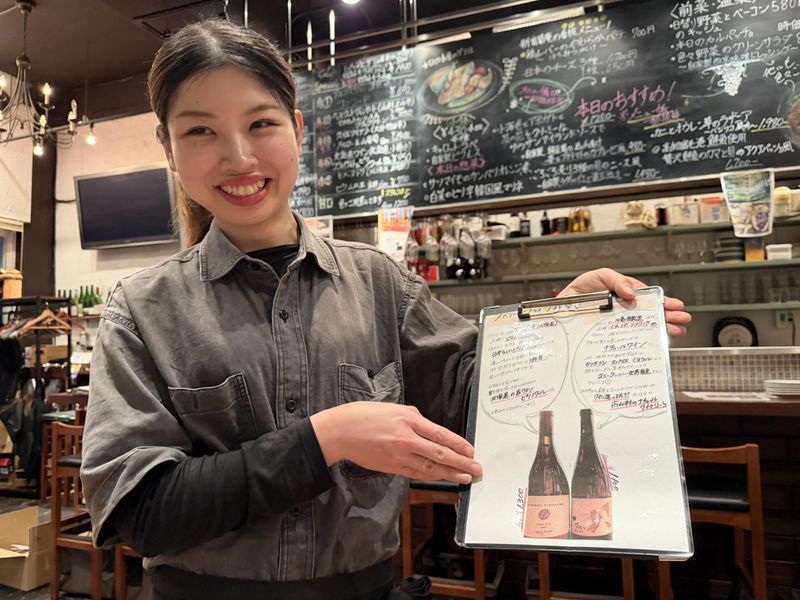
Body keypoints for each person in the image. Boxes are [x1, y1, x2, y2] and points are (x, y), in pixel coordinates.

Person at [79, 18, 691, 600]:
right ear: (168, 148)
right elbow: (141, 512)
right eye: (200, 131)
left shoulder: (379, 282)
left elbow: (477, 397)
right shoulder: (141, 310)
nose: (238, 157)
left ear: (297, 129)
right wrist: (328, 439)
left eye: (261, 123)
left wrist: (564, 330)